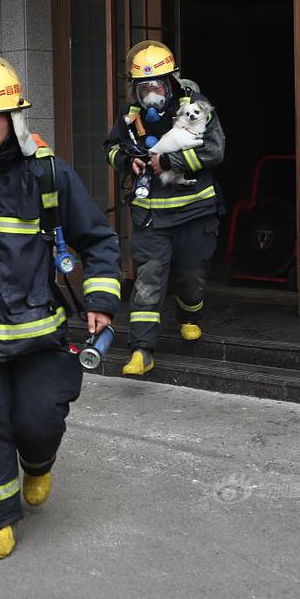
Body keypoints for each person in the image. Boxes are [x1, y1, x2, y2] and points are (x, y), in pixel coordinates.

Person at [0, 54, 122, 559]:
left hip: (37, 332)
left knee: (39, 421)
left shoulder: (49, 175)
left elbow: (98, 240)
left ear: (14, 117)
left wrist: (100, 298)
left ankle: (38, 464)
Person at [104, 40, 226, 376]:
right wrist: (129, 162)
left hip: (195, 212)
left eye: (156, 86)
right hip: (151, 216)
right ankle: (142, 350)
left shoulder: (197, 106)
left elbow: (215, 152)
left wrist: (169, 160)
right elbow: (111, 148)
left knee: (191, 277)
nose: (151, 95)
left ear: (171, 82)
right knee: (148, 279)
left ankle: (189, 315)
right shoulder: (131, 116)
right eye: (143, 89)